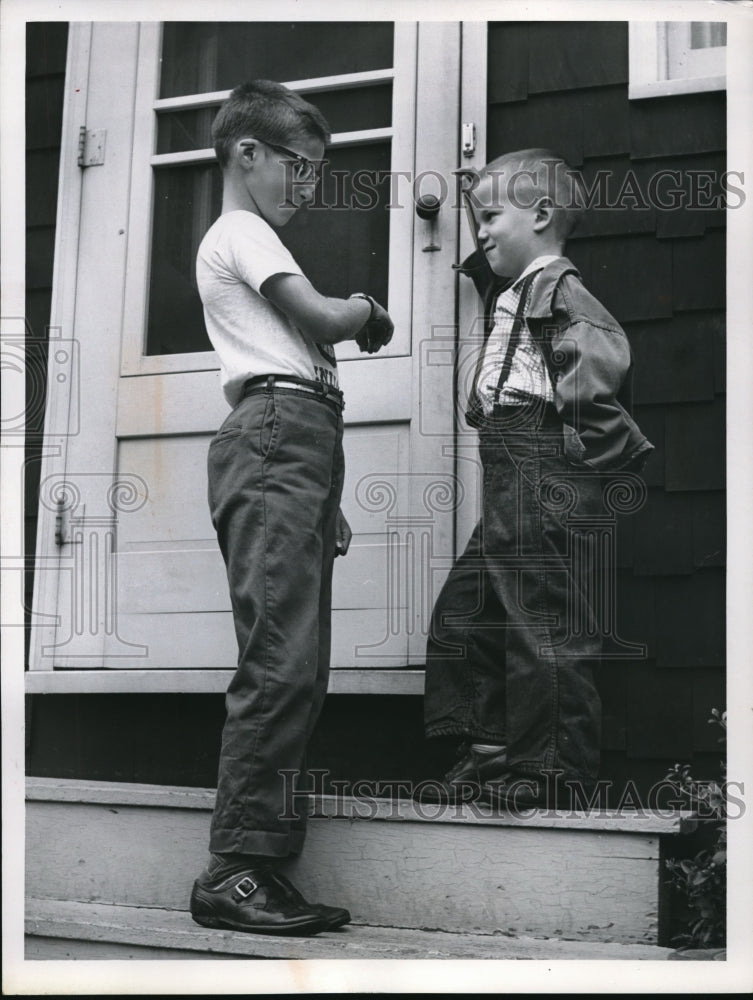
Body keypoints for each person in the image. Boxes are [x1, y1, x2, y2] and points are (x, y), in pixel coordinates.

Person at [189, 80, 393, 936]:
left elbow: (302, 361)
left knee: (298, 664)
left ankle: (261, 864)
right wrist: (365, 310)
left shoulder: (258, 238)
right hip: (276, 437)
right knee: (279, 659)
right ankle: (234, 870)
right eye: (297, 167)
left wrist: (325, 494)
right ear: (247, 153)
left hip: (299, 443)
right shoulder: (240, 233)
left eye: (315, 171)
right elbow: (319, 320)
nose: (307, 186)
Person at [417, 149, 653, 811]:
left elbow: (598, 362)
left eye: (490, 217)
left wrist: (582, 453)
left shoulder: (559, 290)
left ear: (543, 215)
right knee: (467, 607)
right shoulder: (514, 289)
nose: (480, 230)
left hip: (544, 466)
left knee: (543, 615)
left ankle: (551, 769)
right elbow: (493, 284)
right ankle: (491, 746)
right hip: (507, 471)